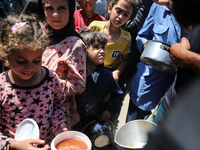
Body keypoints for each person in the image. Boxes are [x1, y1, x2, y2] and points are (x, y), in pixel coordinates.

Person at [0, 14, 68, 149]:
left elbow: (59, 103)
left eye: (37, 60)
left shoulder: (50, 78)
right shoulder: (2, 86)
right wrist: (15, 145)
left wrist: (59, 123)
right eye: (21, 61)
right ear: (6, 54)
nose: (30, 67)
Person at [126, 2, 187, 122]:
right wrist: (146, 46)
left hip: (177, 89)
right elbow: (142, 35)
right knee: (134, 131)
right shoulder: (158, 7)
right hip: (149, 84)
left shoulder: (193, 14)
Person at [41, 0, 87, 129]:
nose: (55, 14)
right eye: (49, 8)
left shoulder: (75, 44)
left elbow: (79, 84)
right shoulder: (38, 36)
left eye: (62, 8)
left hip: (59, 113)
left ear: (71, 10)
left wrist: (48, 84)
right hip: (35, 107)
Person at [73, 28, 123, 131]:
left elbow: (117, 95)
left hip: (95, 121)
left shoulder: (107, 75)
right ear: (83, 50)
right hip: (74, 120)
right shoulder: (75, 72)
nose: (102, 51)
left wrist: (108, 111)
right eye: (96, 47)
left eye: (103, 47)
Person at [88, 0, 139, 83]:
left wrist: (117, 72)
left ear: (129, 18)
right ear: (110, 8)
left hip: (107, 74)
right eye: (118, 11)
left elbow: (125, 60)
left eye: (126, 15)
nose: (120, 17)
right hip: (88, 69)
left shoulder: (126, 38)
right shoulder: (94, 27)